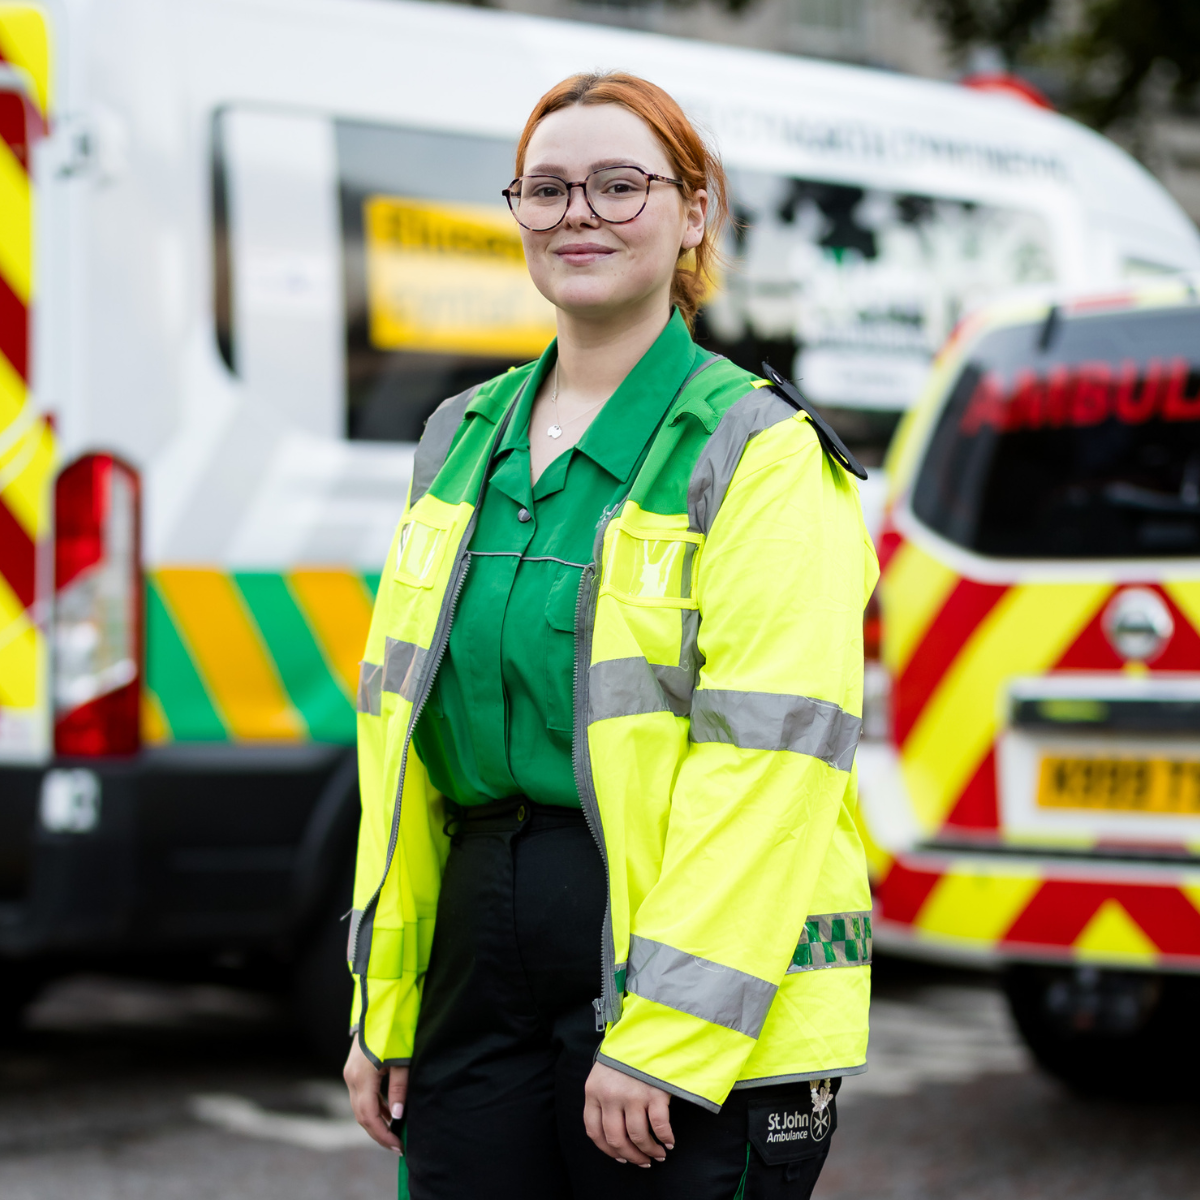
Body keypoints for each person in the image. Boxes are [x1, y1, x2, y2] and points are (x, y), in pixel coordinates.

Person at [344, 70, 878, 1200]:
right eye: (547, 189)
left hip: (679, 970)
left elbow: (766, 768)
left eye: (619, 184)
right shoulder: (459, 437)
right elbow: (407, 765)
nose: (577, 213)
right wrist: (384, 1010)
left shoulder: (761, 453)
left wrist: (666, 1032)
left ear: (695, 212)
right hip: (476, 960)